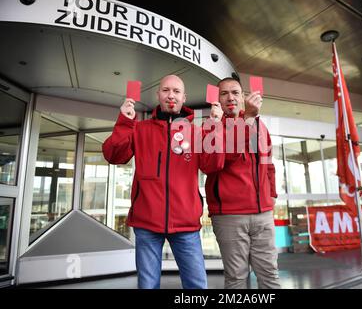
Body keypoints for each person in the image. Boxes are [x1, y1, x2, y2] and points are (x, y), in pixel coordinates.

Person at [102, 75, 224, 289]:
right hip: (146, 224)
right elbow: (114, 155)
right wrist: (124, 122)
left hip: (186, 224)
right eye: (166, 90)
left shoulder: (196, 132)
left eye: (176, 91)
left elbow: (212, 165)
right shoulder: (139, 129)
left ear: (184, 97)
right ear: (158, 95)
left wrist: (215, 126)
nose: (171, 95)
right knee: (148, 286)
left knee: (197, 285)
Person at [205, 77, 281, 289]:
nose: (230, 97)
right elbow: (224, 158)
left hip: (263, 213)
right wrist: (246, 119)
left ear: (242, 96)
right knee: (236, 277)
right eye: (224, 93)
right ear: (217, 99)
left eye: (236, 92)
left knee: (270, 275)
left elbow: (268, 164)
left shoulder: (259, 124)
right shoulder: (212, 125)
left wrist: (271, 196)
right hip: (230, 215)